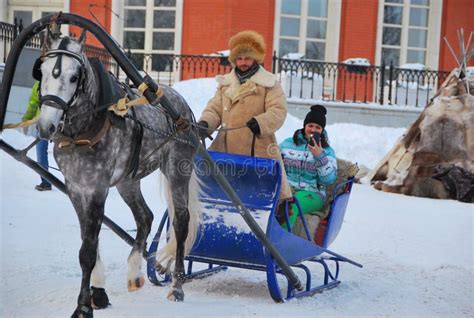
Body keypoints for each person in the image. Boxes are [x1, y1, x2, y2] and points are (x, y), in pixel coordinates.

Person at [197, 30, 292, 201]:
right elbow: (215, 109)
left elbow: (278, 111)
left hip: (257, 152)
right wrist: (205, 123)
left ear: (256, 59)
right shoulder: (225, 84)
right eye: (239, 59)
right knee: (214, 192)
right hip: (225, 151)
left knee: (262, 197)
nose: (243, 63)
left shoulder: (269, 84)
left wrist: (261, 122)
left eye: (247, 58)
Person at [279, 105, 337, 229]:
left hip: (312, 194)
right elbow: (275, 164)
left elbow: (329, 180)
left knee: (291, 205)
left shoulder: (327, 151)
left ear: (322, 130)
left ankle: (277, 243)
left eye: (318, 127)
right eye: (310, 125)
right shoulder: (287, 144)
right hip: (287, 188)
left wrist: (319, 156)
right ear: (304, 126)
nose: (313, 130)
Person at [22, 80, 52, 191]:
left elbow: (33, 103)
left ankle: (46, 182)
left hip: (59, 123)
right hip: (44, 122)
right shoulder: (40, 82)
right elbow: (33, 103)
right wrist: (27, 120)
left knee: (42, 151)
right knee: (41, 150)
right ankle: (46, 181)